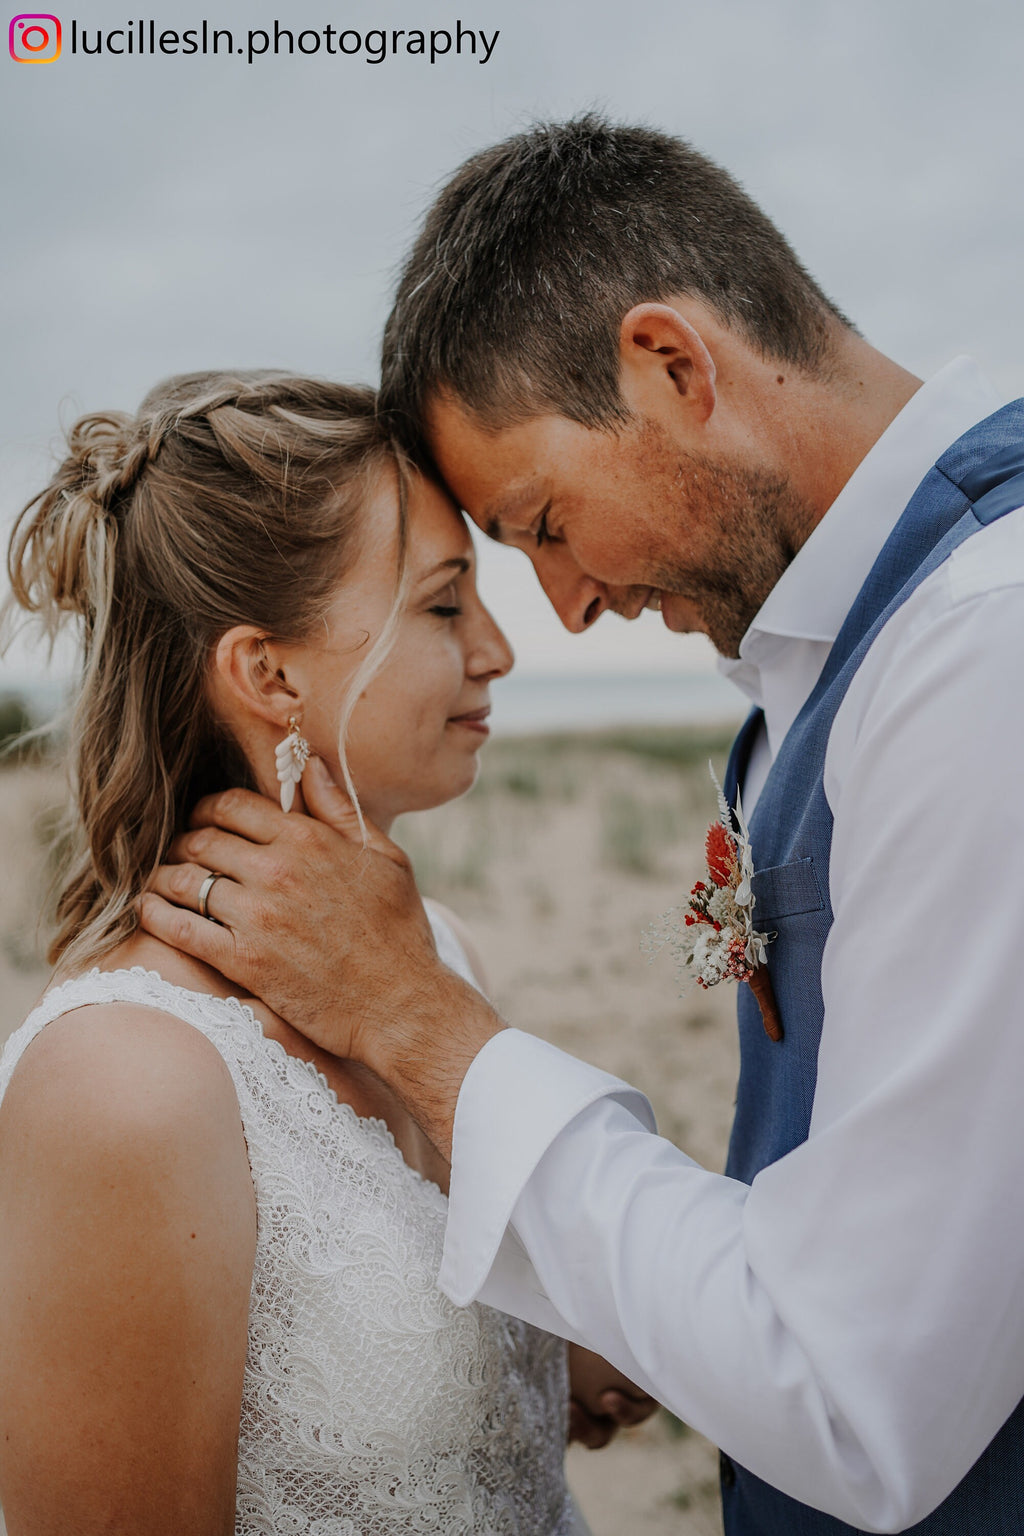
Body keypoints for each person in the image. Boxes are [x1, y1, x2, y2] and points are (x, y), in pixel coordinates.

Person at [137, 119, 1024, 1535]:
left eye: (542, 521)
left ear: (671, 366)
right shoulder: (865, 646)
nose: (560, 607)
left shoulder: (985, 656)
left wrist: (420, 1024)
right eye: (464, 587)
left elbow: (865, 1394)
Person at [0, 369, 653, 1536]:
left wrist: (548, 1362)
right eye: (446, 605)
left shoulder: (433, 955)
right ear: (268, 673)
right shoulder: (126, 1086)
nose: (499, 650)